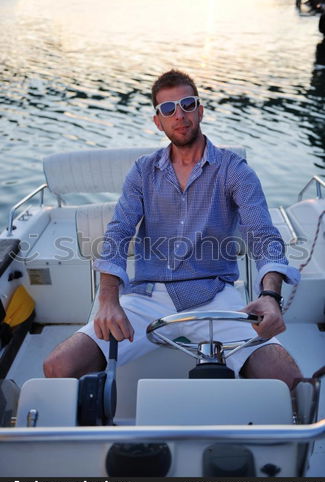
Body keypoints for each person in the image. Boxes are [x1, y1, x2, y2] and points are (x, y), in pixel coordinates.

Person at [44, 70, 302, 388]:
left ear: (200, 110)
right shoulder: (142, 171)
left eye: (187, 104)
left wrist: (269, 296)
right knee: (58, 367)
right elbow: (118, 232)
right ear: (158, 121)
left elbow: (263, 235)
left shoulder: (234, 170)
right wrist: (108, 300)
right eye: (168, 109)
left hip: (215, 297)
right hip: (145, 298)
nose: (179, 115)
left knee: (289, 380)